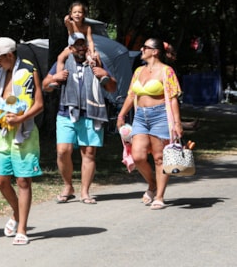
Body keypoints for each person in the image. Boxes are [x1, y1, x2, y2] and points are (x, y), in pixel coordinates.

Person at [43, 32, 118, 204]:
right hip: (67, 113)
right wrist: (55, 77)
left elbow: (112, 87)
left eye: (83, 44)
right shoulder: (62, 63)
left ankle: (85, 192)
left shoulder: (95, 62)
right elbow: (44, 86)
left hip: (92, 113)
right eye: (77, 45)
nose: (81, 48)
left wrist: (102, 74)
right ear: (70, 48)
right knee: (63, 151)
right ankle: (68, 186)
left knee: (89, 153)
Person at [0, 37, 44, 245]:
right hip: (2, 131)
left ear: (10, 55)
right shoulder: (0, 75)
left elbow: (38, 104)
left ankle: (22, 229)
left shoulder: (28, 70)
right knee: (0, 179)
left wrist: (21, 118)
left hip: (24, 131)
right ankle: (18, 212)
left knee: (23, 180)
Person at [116, 38, 182, 210]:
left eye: (145, 47)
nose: (141, 49)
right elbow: (131, 95)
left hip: (160, 116)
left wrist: (177, 123)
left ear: (155, 51)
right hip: (140, 117)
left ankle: (159, 196)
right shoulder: (138, 71)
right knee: (137, 156)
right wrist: (121, 115)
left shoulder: (167, 71)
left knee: (160, 158)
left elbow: (173, 98)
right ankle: (152, 184)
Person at [53, 2, 97, 81]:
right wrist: (66, 20)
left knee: (95, 56)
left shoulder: (87, 27)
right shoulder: (71, 24)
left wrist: (92, 52)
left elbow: (90, 41)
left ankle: (99, 76)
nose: (77, 14)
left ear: (83, 15)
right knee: (60, 57)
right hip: (72, 48)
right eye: (75, 12)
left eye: (80, 12)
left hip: (84, 48)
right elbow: (67, 23)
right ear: (71, 15)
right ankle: (58, 77)